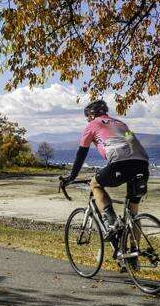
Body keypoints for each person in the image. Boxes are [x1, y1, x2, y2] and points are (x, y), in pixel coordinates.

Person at [60, 100, 150, 237]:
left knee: (95, 184)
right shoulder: (121, 124)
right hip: (142, 163)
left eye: (87, 118)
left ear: (91, 115)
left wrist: (72, 177)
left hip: (120, 163)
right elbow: (131, 142)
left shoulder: (92, 125)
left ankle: (112, 222)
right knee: (133, 213)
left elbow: (81, 153)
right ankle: (133, 254)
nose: (87, 120)